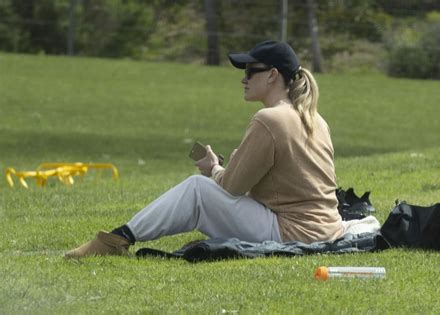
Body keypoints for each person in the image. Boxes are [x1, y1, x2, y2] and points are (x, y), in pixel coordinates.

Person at [65, 40, 344, 258]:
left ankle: (115, 240)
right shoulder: (315, 118)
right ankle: (117, 239)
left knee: (197, 189)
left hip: (293, 232)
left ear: (272, 75)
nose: (243, 79)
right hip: (326, 229)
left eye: (250, 71)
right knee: (203, 188)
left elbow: (232, 188)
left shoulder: (270, 118)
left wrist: (214, 169)